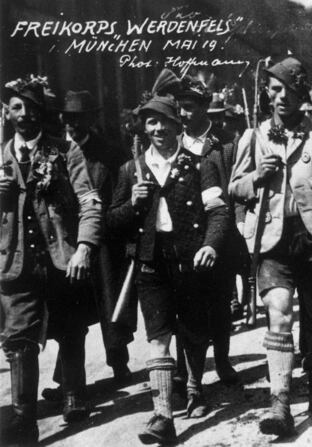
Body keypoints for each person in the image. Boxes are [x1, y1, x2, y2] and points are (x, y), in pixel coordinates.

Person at [229, 56, 312, 436]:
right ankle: (280, 399)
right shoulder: (253, 137)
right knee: (280, 310)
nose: (280, 97)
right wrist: (256, 177)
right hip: (273, 238)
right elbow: (233, 187)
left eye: (288, 90)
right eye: (274, 90)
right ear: (267, 94)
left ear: (301, 93)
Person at [107, 93, 228, 444]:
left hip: (191, 260)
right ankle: (162, 415)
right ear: (143, 128)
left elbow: (218, 211)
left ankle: (193, 388)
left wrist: (210, 244)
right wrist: (132, 204)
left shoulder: (197, 163)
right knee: (158, 336)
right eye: (151, 122)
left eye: (165, 121)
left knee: (192, 331)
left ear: (178, 125)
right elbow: (113, 222)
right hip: (151, 263)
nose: (158, 128)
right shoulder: (131, 170)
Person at [0, 75, 102, 443]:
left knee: (70, 325)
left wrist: (85, 246)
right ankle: (23, 418)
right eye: (16, 108)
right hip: (14, 262)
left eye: (32, 108)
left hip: (61, 256)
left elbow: (90, 202)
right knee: (18, 338)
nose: (25, 115)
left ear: (42, 112)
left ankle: (74, 392)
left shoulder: (65, 151)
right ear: (7, 113)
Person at [39, 90, 133, 405]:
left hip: (103, 235)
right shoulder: (55, 150)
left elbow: (121, 193)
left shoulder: (110, 152)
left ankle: (118, 360)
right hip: (67, 238)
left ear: (92, 118)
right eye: (69, 118)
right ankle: (66, 379)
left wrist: (104, 223)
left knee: (107, 300)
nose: (74, 124)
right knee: (70, 310)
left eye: (81, 118)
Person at [176, 74, 245, 387]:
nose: (182, 113)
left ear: (205, 107)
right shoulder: (173, 143)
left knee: (219, 302)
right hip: (183, 237)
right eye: (179, 107)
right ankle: (187, 372)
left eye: (189, 107)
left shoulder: (225, 143)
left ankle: (222, 360)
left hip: (221, 234)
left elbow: (235, 189)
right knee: (186, 305)